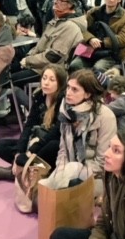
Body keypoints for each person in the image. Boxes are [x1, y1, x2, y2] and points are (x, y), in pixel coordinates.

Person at [0, 64, 67, 181]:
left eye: (52, 80)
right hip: (35, 139)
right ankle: (23, 169)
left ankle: (17, 171)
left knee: (53, 145)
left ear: (60, 83)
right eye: (44, 78)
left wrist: (30, 152)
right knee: (0, 146)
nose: (46, 83)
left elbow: (55, 133)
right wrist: (19, 153)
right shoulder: (39, 97)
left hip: (48, 144)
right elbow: (29, 125)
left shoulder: (63, 102)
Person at [50, 69, 117, 197]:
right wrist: (60, 172)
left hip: (96, 177)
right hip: (69, 171)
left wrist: (75, 172)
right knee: (40, 196)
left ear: (87, 94)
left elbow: (103, 161)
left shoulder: (106, 116)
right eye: (68, 87)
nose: (68, 93)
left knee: (60, 194)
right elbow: (63, 151)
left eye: (74, 89)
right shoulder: (66, 113)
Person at [13, 0, 86, 85]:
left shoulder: (70, 26)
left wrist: (28, 60)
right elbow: (41, 46)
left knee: (10, 81)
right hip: (38, 64)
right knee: (7, 69)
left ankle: (25, 100)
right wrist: (28, 57)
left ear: (70, 5)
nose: (55, 2)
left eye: (60, 0)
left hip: (50, 71)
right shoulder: (58, 21)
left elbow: (52, 57)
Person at [69, 0, 125, 73]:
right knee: (74, 65)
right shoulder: (93, 12)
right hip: (89, 49)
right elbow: (81, 28)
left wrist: (102, 42)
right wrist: (90, 39)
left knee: (98, 69)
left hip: (111, 53)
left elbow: (124, 40)